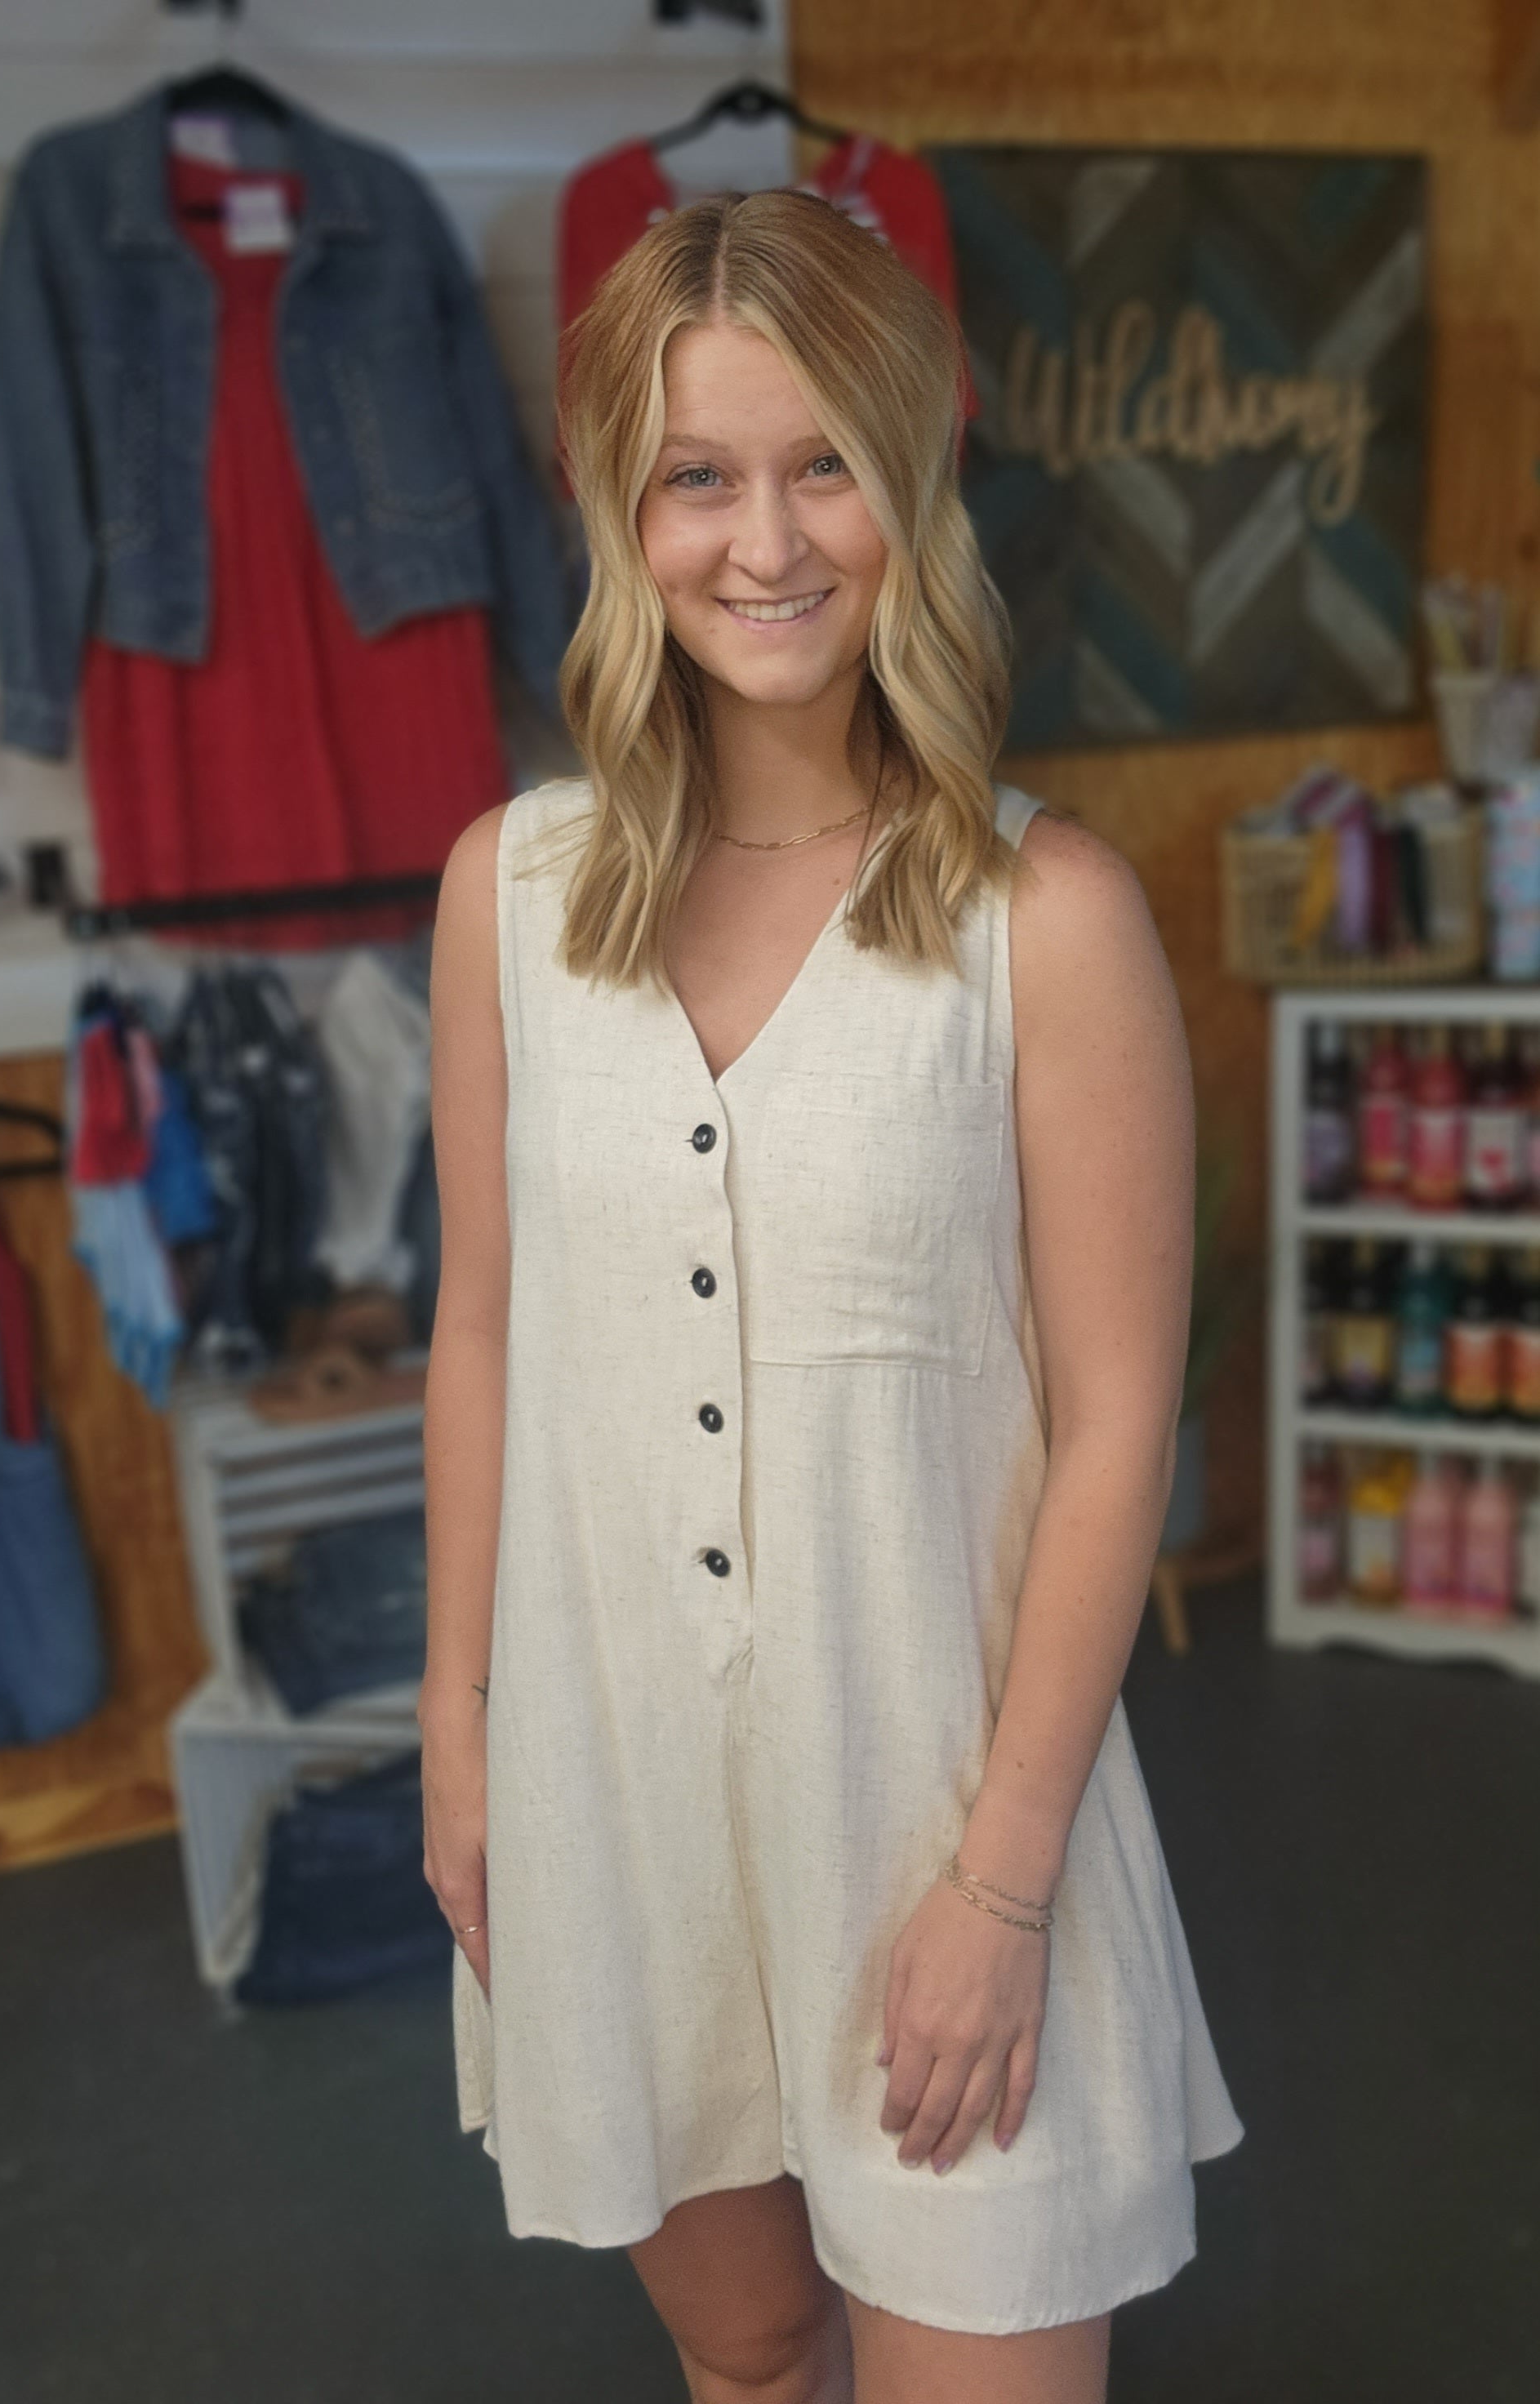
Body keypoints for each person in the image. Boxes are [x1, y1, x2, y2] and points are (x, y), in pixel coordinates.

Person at [419, 187, 1244, 2404]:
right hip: (616, 1794)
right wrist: (457, 1726)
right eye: (696, 474)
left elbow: (1113, 1423)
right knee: (755, 2360)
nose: (761, 542)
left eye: (821, 468)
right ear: (620, 505)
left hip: (941, 1809)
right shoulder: (508, 891)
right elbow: (482, 1327)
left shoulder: (1035, 913)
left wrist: (995, 1887)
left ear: (908, 484)